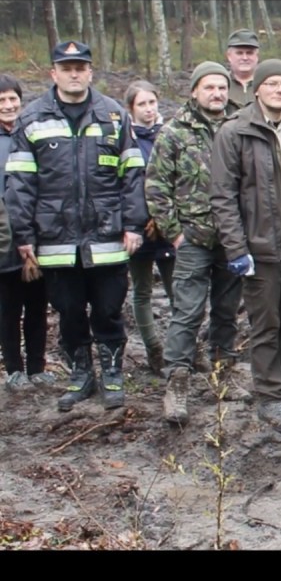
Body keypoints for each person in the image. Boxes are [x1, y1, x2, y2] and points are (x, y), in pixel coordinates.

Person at [4, 41, 146, 411]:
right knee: (68, 312)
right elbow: (20, 184)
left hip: (107, 237)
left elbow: (132, 175)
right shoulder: (32, 119)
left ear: (90, 72)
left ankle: (113, 375)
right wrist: (24, 236)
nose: (73, 74)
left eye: (80, 67)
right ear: (53, 73)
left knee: (109, 310)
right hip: (56, 242)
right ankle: (81, 375)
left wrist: (133, 224)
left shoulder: (114, 115)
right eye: (66, 68)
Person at [210, 59, 281, 433]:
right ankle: (271, 399)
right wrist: (236, 248)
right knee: (265, 324)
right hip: (259, 246)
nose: (279, 89)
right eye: (272, 83)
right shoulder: (235, 132)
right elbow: (223, 196)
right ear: (256, 88)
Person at [147, 61, 244, 425]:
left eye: (222, 87)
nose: (217, 94)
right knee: (186, 312)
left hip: (233, 238)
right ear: (194, 92)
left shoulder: (241, 126)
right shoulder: (174, 132)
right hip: (193, 239)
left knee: (227, 309)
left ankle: (223, 373)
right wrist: (175, 232)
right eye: (209, 88)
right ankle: (177, 382)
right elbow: (157, 186)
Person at [0, 75, 54, 392]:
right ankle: (13, 369)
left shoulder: (33, 134)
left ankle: (37, 365)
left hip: (40, 234)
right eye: (2, 100)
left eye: (12, 99)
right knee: (9, 307)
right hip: (5, 240)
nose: (8, 106)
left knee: (38, 305)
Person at [124, 80, 176, 375]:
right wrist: (140, 219)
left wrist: (164, 216)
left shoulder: (167, 134)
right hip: (138, 227)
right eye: (141, 104)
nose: (148, 109)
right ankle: (154, 349)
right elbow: (127, 184)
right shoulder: (126, 138)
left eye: (152, 103)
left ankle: (185, 347)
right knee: (142, 289)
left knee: (177, 290)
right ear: (131, 108)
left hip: (168, 225)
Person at [224, 29, 260, 109]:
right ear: (229, 56)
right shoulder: (220, 85)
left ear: (257, 56)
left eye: (249, 53)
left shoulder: (267, 85)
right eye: (239, 53)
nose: (245, 58)